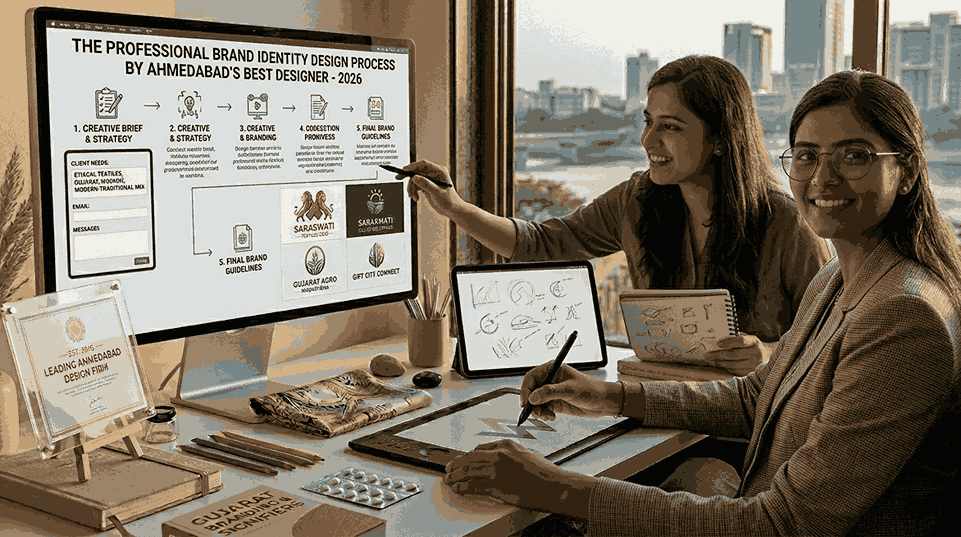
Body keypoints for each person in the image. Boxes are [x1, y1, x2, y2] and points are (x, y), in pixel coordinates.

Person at [443, 70, 961, 535]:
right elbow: (754, 398)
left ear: (909, 171)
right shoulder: (839, 279)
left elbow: (784, 524)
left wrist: (552, 488)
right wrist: (605, 397)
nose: (823, 179)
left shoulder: (902, 315)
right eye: (806, 156)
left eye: (854, 156)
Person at [404, 55, 833, 376]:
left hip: (747, 421)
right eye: (648, 122)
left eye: (671, 126)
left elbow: (829, 345)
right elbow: (540, 243)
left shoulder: (789, 226)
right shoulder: (637, 200)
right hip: (655, 401)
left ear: (721, 139)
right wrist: (454, 208)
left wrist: (768, 353)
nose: (648, 139)